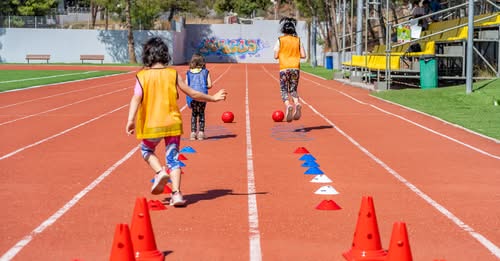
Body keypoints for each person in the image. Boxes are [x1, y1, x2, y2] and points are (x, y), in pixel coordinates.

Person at [126, 37, 227, 206]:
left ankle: (159, 172)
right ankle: (177, 194)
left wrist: (130, 120)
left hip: (151, 125)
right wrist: (213, 98)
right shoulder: (172, 74)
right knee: (173, 159)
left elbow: (136, 99)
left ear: (147, 56)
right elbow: (192, 93)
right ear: (165, 55)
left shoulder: (141, 76)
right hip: (172, 124)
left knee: (146, 150)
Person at [273, 17, 306, 122]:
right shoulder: (298, 40)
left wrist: (283, 53)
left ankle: (288, 105)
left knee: (284, 89)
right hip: (295, 68)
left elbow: (275, 56)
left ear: (283, 30)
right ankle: (297, 103)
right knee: (293, 89)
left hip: (284, 68)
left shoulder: (280, 40)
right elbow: (304, 55)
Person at [185, 53, 212, 141]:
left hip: (192, 96)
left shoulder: (188, 72)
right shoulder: (206, 72)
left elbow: (186, 85)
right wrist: (203, 86)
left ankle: (193, 133)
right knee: (201, 113)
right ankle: (201, 133)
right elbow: (210, 85)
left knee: (194, 113)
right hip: (202, 95)